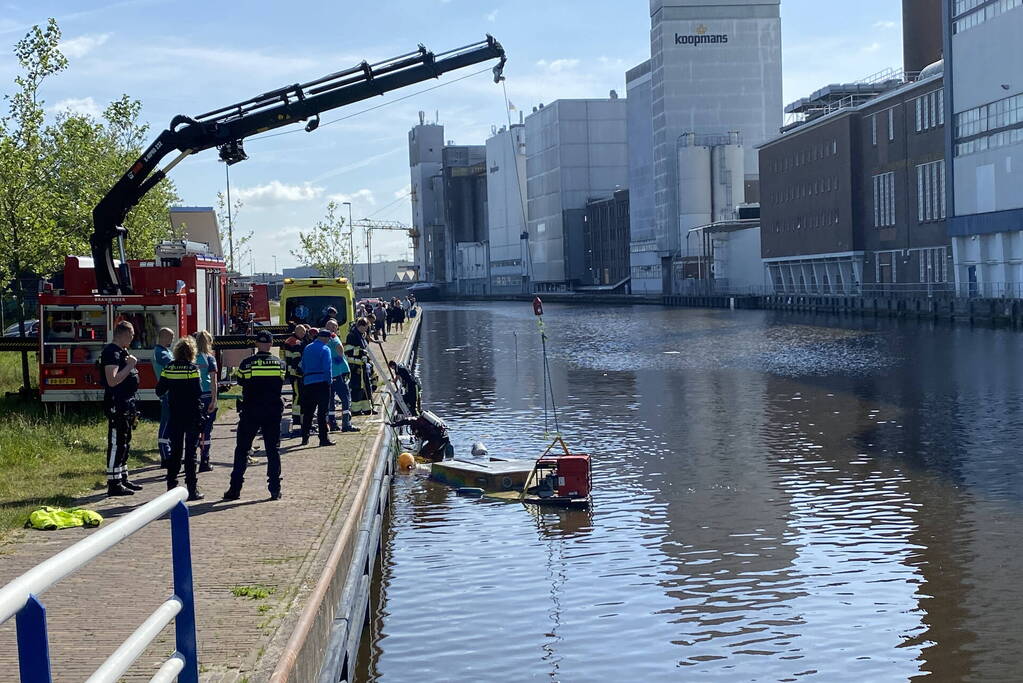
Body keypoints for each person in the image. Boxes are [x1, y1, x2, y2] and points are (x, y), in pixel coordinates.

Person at [224, 330, 287, 501]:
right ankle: (275, 489)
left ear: (257, 344)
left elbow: (241, 381)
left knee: (242, 449)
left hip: (251, 410)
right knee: (273, 450)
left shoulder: (247, 363)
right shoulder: (280, 364)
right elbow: (281, 380)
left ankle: (235, 489)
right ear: (271, 344)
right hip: (272, 411)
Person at [155, 337, 205, 501]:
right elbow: (197, 392)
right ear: (192, 352)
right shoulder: (192, 369)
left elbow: (159, 390)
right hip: (191, 414)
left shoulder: (169, 368)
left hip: (175, 414)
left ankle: (171, 488)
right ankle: (192, 489)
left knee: (175, 452)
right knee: (190, 453)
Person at [101, 321, 142, 496]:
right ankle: (114, 482)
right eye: (131, 335)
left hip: (127, 403)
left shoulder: (122, 352)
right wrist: (130, 366)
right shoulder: (111, 353)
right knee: (117, 443)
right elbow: (112, 380)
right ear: (123, 334)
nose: (132, 338)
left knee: (125, 441)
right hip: (116, 404)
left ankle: (123, 476)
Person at [324, 319, 360, 433]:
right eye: (333, 326)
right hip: (338, 373)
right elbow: (340, 348)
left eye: (335, 326)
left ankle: (332, 423)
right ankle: (346, 424)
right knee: (345, 398)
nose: (334, 328)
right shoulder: (333, 337)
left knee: (330, 400)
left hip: (328, 374)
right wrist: (339, 361)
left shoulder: (322, 338)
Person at [300, 329, 335, 446]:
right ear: (325, 338)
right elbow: (327, 368)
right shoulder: (325, 349)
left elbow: (303, 365)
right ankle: (323, 439)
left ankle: (305, 437)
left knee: (308, 412)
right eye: (329, 339)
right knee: (322, 413)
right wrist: (329, 381)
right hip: (322, 383)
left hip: (308, 382)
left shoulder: (308, 348)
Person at [192, 330, 219, 472]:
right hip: (207, 394)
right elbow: (214, 381)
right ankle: (205, 460)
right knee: (206, 431)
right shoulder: (210, 358)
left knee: (193, 429)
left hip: (194, 396)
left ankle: (191, 459)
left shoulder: (191, 358)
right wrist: (214, 400)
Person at [153, 327, 175, 468]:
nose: (172, 341)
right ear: (164, 337)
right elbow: (173, 365)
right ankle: (165, 456)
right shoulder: (160, 353)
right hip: (167, 393)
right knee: (166, 424)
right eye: (171, 338)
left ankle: (171, 453)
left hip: (172, 392)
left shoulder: (167, 351)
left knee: (171, 424)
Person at [345, 318, 376, 415]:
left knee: (366, 387)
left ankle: (367, 408)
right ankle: (356, 410)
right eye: (364, 328)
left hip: (363, 366)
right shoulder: (352, 336)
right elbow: (348, 350)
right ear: (359, 326)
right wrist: (361, 352)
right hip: (355, 366)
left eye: (366, 328)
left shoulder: (361, 335)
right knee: (357, 388)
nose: (365, 330)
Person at [282, 324, 308, 431]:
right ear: (297, 332)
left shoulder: (292, 340)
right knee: (297, 395)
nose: (304, 334)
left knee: (298, 394)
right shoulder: (294, 342)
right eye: (303, 332)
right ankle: (296, 417)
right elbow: (293, 359)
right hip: (294, 373)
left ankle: (298, 415)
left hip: (294, 372)